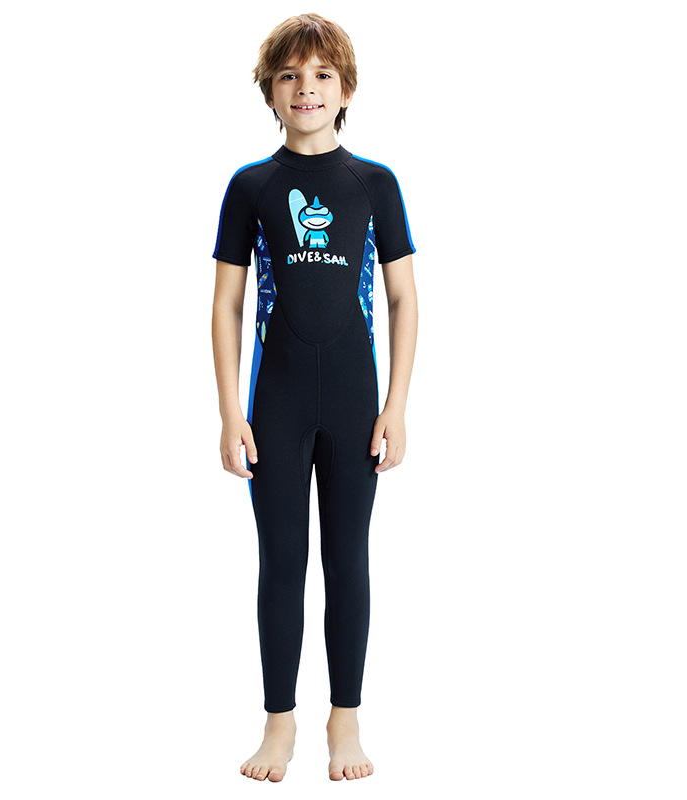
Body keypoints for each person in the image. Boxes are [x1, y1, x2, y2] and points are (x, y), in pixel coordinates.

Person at [211, 13, 418, 783]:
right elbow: (227, 303)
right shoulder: (252, 188)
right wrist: (230, 412)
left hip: (357, 403)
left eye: (322, 75)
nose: (307, 88)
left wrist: (396, 406)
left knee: (347, 558)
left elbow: (403, 298)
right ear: (270, 91)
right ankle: (279, 723)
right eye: (290, 75)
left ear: (346, 89)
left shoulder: (374, 185)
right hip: (276, 404)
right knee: (281, 562)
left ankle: (345, 719)